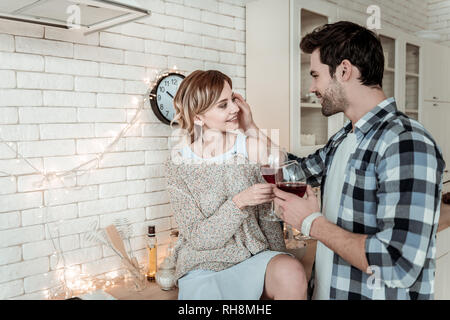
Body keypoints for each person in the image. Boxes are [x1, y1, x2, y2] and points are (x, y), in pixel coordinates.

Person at [255, 21, 445, 299]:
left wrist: (310, 222)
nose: (311, 87)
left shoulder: (405, 141)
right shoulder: (345, 137)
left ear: (343, 70)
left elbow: (398, 264)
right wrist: (247, 129)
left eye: (316, 75)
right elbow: (298, 171)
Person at [165, 70, 307, 300]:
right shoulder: (179, 165)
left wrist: (249, 125)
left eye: (233, 99)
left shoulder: (246, 145)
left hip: (255, 254)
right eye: (223, 105)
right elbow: (198, 237)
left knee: (291, 273)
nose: (234, 108)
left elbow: (283, 167)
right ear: (198, 117)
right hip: (204, 263)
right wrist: (240, 202)